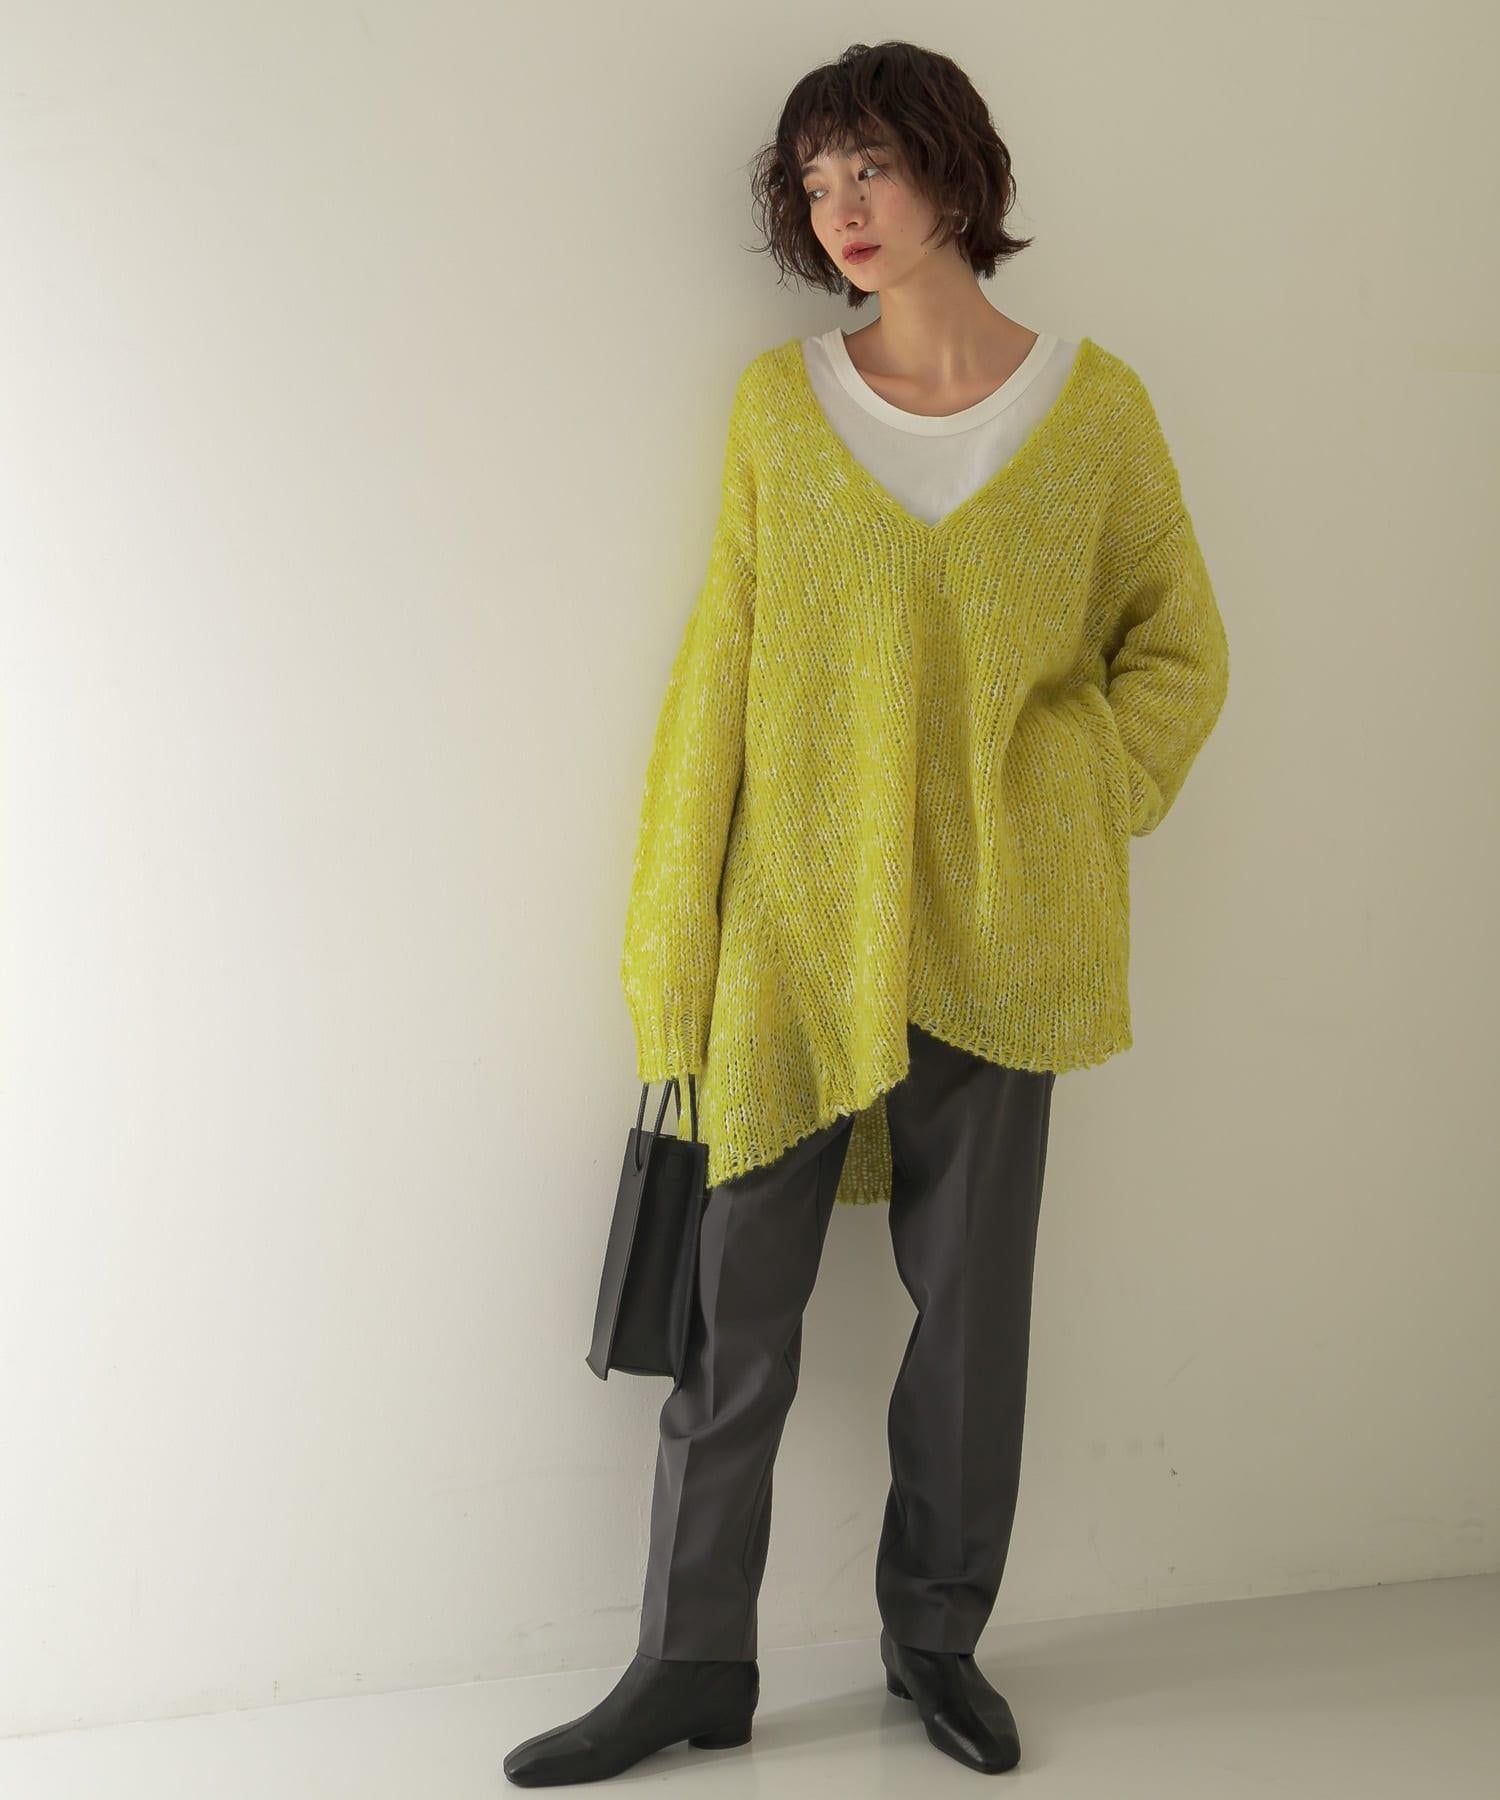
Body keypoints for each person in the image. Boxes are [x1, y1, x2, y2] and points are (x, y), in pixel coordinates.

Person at [505, 37, 1229, 1788]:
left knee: (971, 1321)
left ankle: (937, 1640)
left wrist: (1072, 793)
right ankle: (691, 1661)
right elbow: (720, 677)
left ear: (955, 171)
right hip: (793, 929)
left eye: (871, 169)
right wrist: (670, 941)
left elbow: (1181, 652)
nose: (842, 210)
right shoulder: (779, 407)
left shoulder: (1098, 415)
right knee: (729, 1315)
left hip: (1004, 931)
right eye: (814, 183)